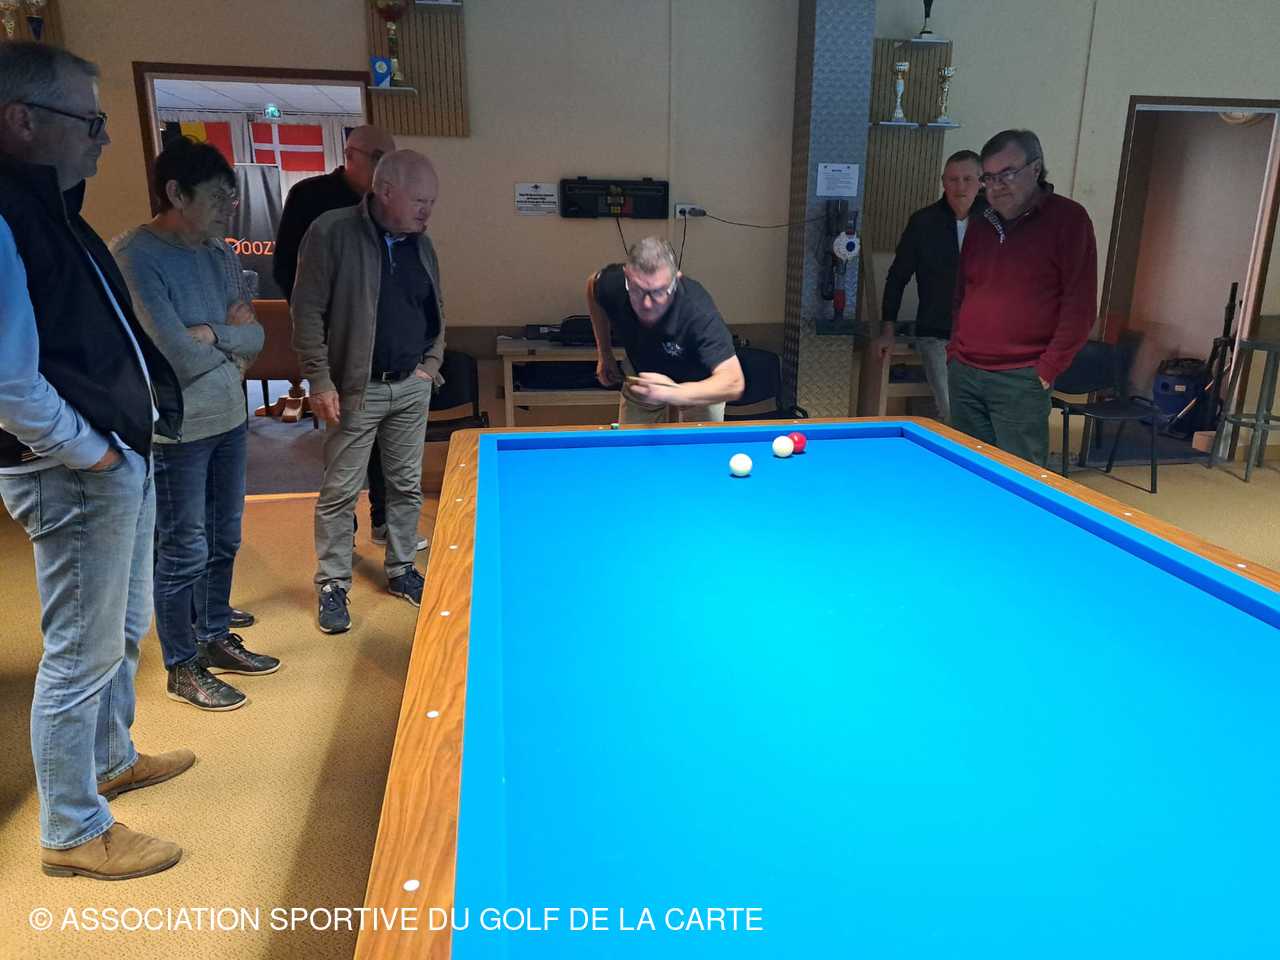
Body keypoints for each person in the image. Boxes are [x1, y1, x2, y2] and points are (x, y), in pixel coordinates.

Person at [0, 42, 189, 879]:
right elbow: (7, 381)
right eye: (91, 120)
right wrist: (93, 454)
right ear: (21, 120)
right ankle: (72, 829)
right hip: (75, 472)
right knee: (80, 650)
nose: (106, 138)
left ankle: (110, 758)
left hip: (112, 461)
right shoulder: (6, 216)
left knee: (121, 629)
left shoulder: (51, 208)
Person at [113, 137, 280, 712]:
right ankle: (181, 665)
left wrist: (214, 335)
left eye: (232, 197)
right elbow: (175, 355)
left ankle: (213, 635)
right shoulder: (135, 256)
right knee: (183, 547)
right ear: (176, 194)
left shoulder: (218, 252)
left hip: (229, 416)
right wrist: (226, 344)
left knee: (225, 536)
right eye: (217, 197)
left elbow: (255, 336)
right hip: (177, 429)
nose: (229, 208)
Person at [291, 150, 444, 633]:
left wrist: (430, 367)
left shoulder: (422, 244)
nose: (427, 210)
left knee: (405, 486)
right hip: (355, 390)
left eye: (431, 201)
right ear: (385, 191)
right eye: (419, 200)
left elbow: (435, 310)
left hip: (410, 387)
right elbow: (307, 310)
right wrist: (319, 379)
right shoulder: (332, 232)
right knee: (340, 492)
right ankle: (332, 584)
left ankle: (401, 569)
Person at [273, 125, 426, 551]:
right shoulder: (313, 201)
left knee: (392, 459)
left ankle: (384, 524)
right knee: (343, 461)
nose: (384, 167)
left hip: (391, 357)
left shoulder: (398, 211)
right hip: (338, 351)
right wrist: (321, 347)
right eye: (377, 157)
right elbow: (290, 275)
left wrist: (425, 362)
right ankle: (342, 545)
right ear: (350, 155)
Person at [948, 129, 1097, 466]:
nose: (997, 186)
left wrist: (1046, 369)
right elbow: (962, 293)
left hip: (1021, 377)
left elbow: (1080, 307)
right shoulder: (980, 222)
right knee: (967, 470)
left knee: (1018, 475)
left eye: (1007, 174)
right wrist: (954, 352)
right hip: (965, 372)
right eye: (989, 177)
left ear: (1035, 169)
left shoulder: (1069, 220)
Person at [876, 149, 986, 423]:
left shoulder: (996, 221)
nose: (960, 187)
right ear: (943, 182)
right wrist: (888, 330)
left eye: (967, 179)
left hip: (987, 334)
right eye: (953, 179)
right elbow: (897, 276)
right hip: (936, 332)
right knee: (951, 411)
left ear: (981, 181)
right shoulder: (924, 222)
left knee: (984, 412)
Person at [588, 237, 744, 424]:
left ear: (676, 280)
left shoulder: (697, 311)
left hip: (699, 386)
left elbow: (734, 381)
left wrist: (673, 393)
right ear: (627, 276)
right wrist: (604, 353)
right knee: (634, 442)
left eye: (658, 292)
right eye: (638, 290)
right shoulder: (614, 284)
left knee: (697, 444)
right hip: (643, 379)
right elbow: (592, 286)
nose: (647, 304)